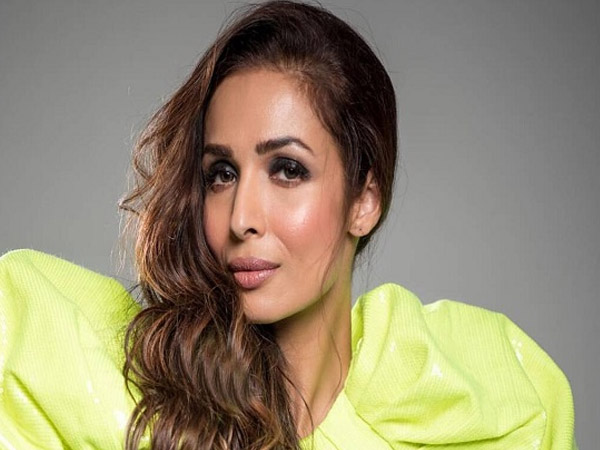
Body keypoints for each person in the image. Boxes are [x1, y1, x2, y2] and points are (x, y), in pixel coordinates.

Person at [0, 1, 577, 449]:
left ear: (365, 200)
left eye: (287, 170)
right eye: (222, 173)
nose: (241, 219)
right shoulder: (97, 386)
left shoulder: (465, 403)